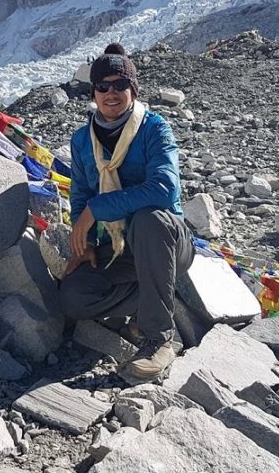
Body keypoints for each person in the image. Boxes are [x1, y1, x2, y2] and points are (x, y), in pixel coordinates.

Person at [58, 42, 193, 377]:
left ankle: (159, 338)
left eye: (120, 85)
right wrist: (85, 241)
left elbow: (164, 190)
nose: (111, 93)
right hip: (118, 250)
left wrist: (97, 209)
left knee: (149, 219)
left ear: (133, 90)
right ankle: (154, 296)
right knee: (73, 296)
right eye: (103, 87)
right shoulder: (82, 140)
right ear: (94, 93)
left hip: (166, 241)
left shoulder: (154, 129)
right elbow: (81, 194)